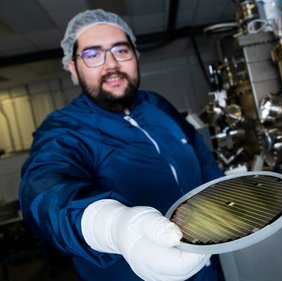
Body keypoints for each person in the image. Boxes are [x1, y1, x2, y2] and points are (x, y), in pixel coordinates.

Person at [19, 9, 225, 281]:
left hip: (213, 262)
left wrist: (225, 207)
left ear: (135, 56)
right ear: (73, 67)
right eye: (92, 54)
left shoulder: (158, 105)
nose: (111, 64)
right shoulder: (64, 128)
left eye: (121, 50)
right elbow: (43, 191)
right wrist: (112, 226)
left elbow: (202, 159)